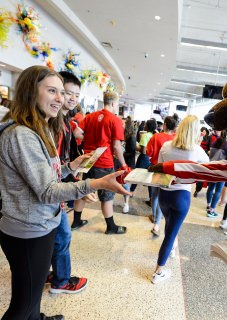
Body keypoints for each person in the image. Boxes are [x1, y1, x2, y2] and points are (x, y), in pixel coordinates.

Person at [0, 65, 130, 320]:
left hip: (40, 222)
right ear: (30, 92)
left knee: (33, 292)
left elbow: (42, 179)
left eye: (62, 92)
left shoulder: (39, 129)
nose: (61, 99)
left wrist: (70, 167)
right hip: (28, 229)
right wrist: (96, 184)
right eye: (52, 91)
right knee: (22, 305)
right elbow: (47, 191)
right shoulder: (22, 135)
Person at [151, 115, 209, 284]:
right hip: (181, 196)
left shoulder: (166, 146)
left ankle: (171, 249)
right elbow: (208, 165)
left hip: (164, 194)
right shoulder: (196, 150)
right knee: (170, 234)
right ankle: (158, 272)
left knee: (169, 226)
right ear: (196, 132)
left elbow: (160, 168)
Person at [47, 71, 88, 295]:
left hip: (57, 184)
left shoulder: (64, 123)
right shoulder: (50, 123)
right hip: (50, 190)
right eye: (64, 92)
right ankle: (61, 281)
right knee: (63, 235)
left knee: (57, 235)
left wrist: (72, 168)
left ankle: (53, 274)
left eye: (75, 94)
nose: (69, 98)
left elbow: (59, 162)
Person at [72, 91, 129, 234]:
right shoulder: (114, 120)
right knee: (107, 196)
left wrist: (88, 141)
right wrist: (123, 164)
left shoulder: (90, 116)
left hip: (88, 160)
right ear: (113, 103)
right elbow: (116, 147)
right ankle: (111, 227)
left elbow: (76, 133)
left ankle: (76, 221)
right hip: (104, 162)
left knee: (84, 189)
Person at [146, 115, 177, 236]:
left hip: (156, 169)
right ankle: (157, 221)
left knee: (154, 195)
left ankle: (154, 217)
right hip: (169, 170)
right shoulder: (176, 139)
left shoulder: (156, 136)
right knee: (162, 196)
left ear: (164, 125)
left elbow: (149, 152)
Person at [130, 119, 157, 206]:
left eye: (145, 125)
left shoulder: (145, 136)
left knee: (136, 175)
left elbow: (143, 151)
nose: (144, 126)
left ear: (148, 126)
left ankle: (131, 192)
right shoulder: (155, 136)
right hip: (151, 159)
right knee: (149, 179)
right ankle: (151, 198)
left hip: (144, 158)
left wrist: (136, 146)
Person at [206, 132, 227, 218]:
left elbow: (210, 154)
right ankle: (212, 210)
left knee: (210, 187)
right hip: (222, 170)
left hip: (212, 168)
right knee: (218, 190)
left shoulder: (215, 142)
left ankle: (208, 205)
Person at [193, 126, 210, 198]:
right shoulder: (197, 137)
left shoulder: (209, 138)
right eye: (202, 130)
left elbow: (209, 149)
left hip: (204, 159)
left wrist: (205, 151)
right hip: (197, 158)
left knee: (201, 175)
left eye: (204, 131)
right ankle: (197, 189)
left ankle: (198, 189)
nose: (203, 132)